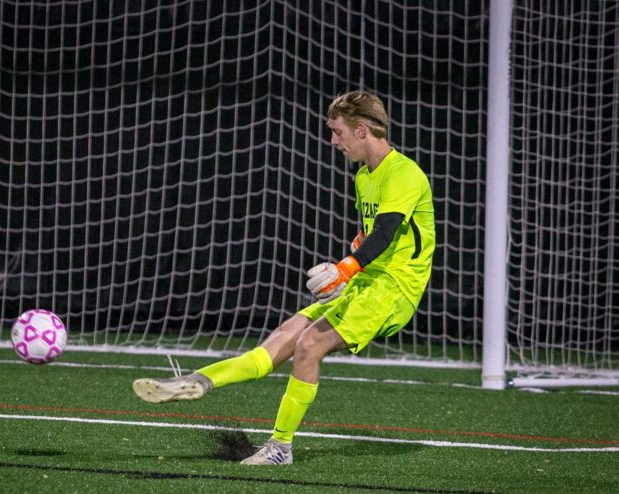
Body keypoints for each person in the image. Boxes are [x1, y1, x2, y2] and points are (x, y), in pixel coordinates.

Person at [133, 91, 435, 465]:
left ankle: (280, 448)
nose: (333, 140)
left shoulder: (403, 172)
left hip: (394, 289)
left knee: (309, 346)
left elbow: (388, 231)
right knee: (283, 336)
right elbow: (372, 234)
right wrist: (351, 263)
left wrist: (345, 267)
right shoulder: (364, 176)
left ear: (361, 130)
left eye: (337, 131)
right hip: (368, 280)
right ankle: (197, 381)